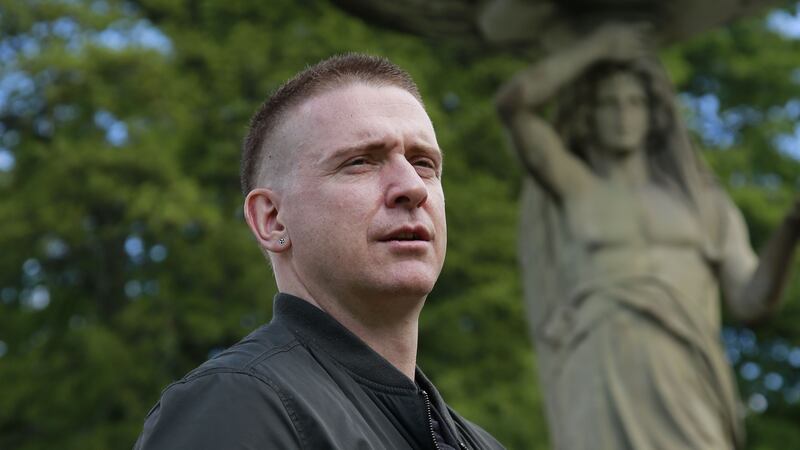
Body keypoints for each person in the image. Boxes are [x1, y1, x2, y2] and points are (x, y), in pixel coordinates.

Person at [134, 54, 505, 450]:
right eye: (360, 162)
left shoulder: (479, 444)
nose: (411, 186)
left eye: (424, 163)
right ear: (273, 220)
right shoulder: (236, 405)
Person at [495, 23, 800, 450]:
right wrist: (598, 46)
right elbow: (513, 106)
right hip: (600, 366)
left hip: (687, 374)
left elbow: (753, 300)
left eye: (635, 102)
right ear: (589, 113)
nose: (623, 115)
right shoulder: (576, 188)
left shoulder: (704, 203)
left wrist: (790, 225)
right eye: (609, 103)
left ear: (654, 113)